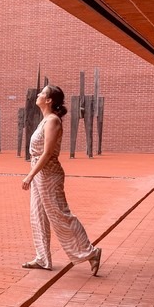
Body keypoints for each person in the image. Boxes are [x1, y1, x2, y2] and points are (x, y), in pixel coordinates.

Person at [21, 85, 102, 275]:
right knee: (38, 215)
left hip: (49, 174)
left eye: (42, 93)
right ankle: (42, 258)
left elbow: (48, 152)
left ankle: (91, 252)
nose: (39, 94)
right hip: (40, 172)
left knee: (59, 214)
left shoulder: (53, 121)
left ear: (49, 100)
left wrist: (31, 174)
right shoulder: (45, 120)